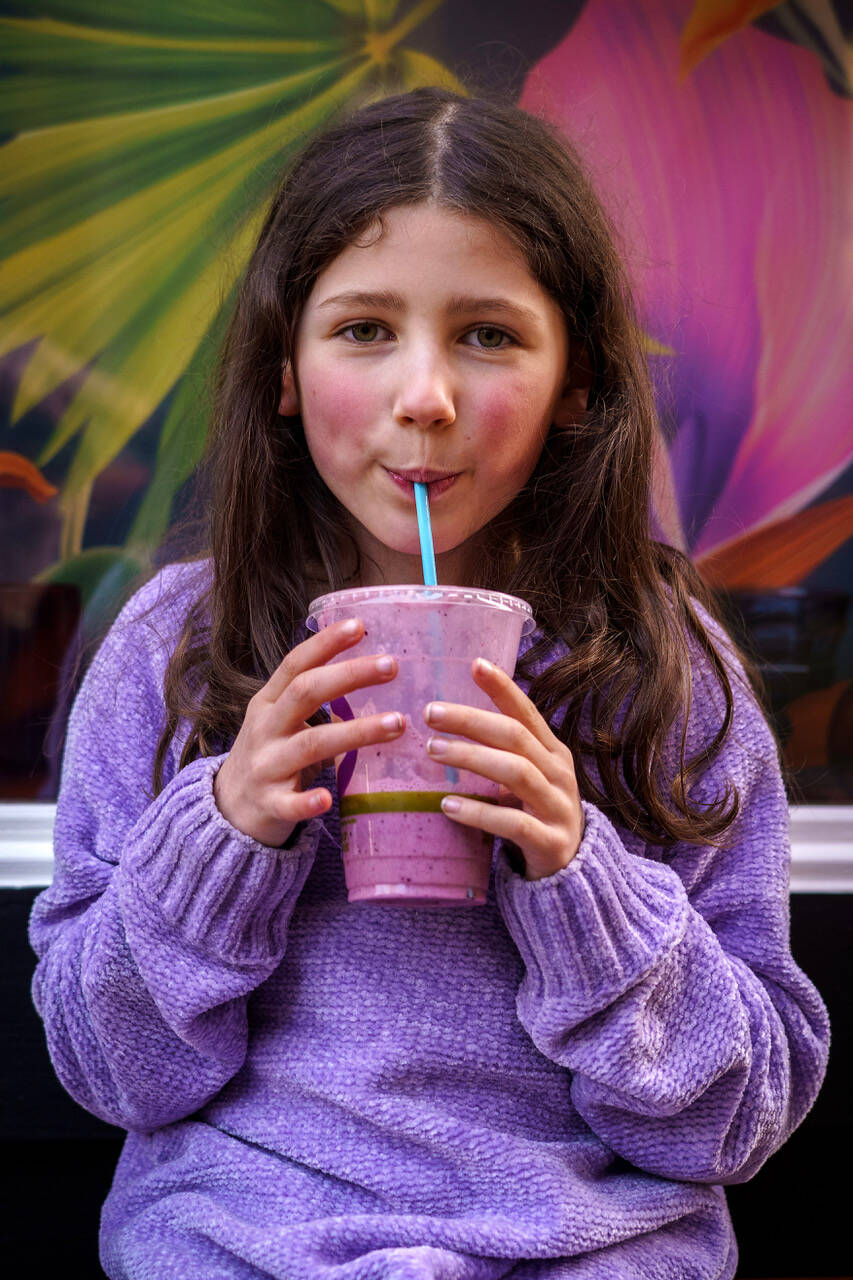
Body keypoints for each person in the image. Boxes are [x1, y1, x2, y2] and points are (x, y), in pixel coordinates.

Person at [29, 87, 829, 1279]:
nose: (423, 395)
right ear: (285, 370)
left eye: (488, 334)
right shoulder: (172, 649)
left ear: (574, 383)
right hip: (244, 1247)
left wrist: (577, 876)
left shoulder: (666, 670)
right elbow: (108, 1068)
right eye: (362, 330)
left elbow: (734, 1117)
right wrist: (224, 833)